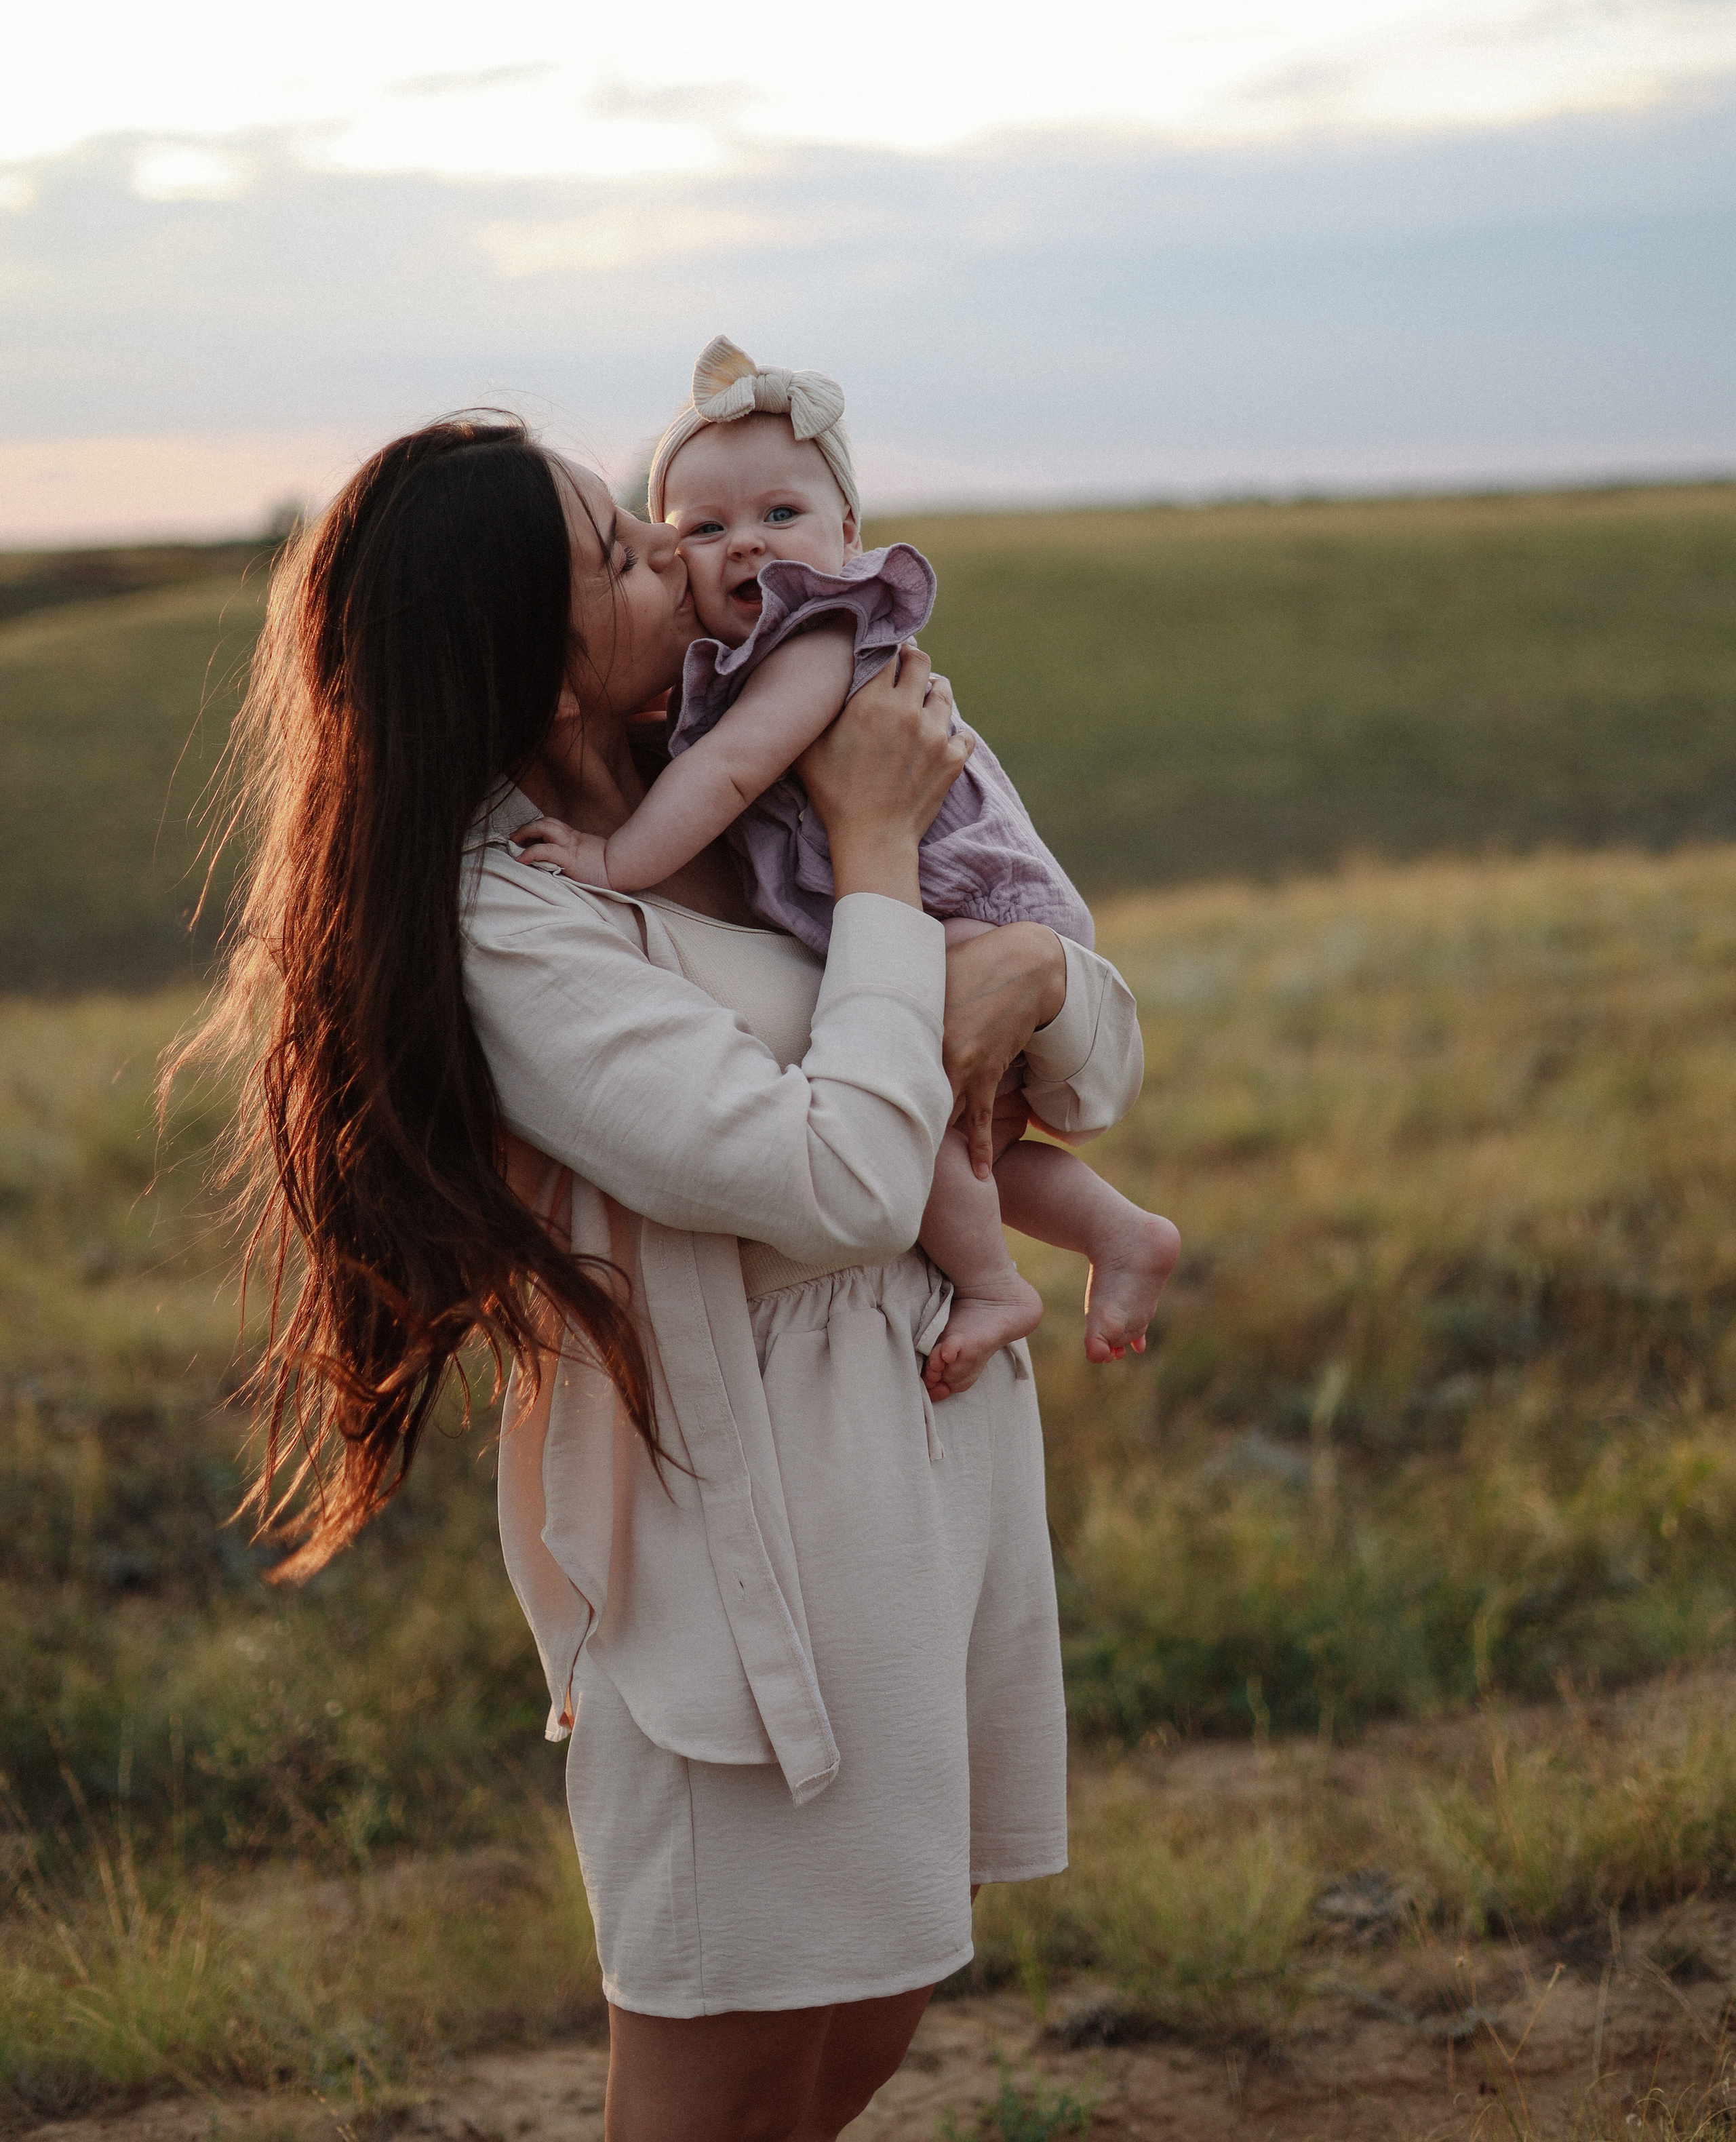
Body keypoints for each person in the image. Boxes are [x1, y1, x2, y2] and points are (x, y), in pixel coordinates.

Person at [182, 412, 1149, 2142]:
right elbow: (843, 1182)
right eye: (621, 557)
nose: (686, 559)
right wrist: (875, 862)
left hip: (929, 1468)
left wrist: (1029, 977)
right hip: (744, 1526)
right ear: (539, 676)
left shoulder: (758, 764)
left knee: (883, 1987)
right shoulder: (515, 917)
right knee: (722, 2072)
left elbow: (1091, 1067)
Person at [515, 337, 1180, 1400]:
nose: (743, 550)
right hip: (801, 1413)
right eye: (701, 530)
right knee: (960, 1135)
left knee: (939, 1119)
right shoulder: (519, 911)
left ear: (850, 538)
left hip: (958, 894)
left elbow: (731, 773)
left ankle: (996, 1281)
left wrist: (613, 857)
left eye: (781, 517)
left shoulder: (818, 636)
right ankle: (1117, 1231)